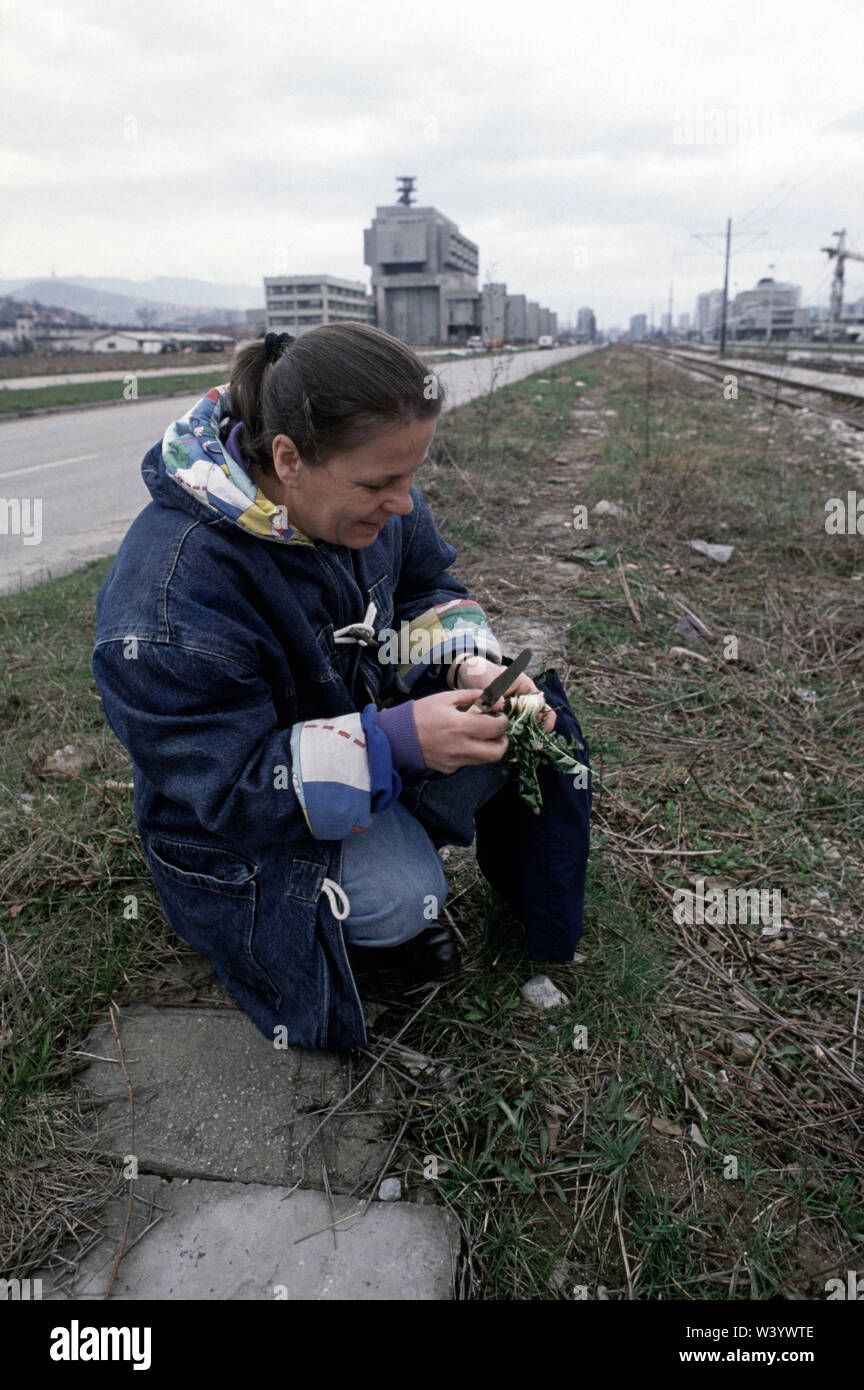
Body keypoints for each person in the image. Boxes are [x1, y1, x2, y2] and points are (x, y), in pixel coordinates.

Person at [92, 323, 589, 1051]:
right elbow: (231, 789)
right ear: (288, 458)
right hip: (239, 827)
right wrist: (394, 745)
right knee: (398, 898)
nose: (407, 506)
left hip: (351, 734)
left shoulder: (361, 501)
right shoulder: (170, 601)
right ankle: (352, 927)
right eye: (381, 484)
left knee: (531, 727)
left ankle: (434, 864)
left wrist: (468, 664)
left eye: (412, 476)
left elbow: (426, 587)